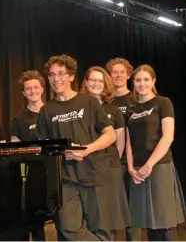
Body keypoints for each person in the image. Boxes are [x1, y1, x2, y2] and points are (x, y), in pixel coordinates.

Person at [36, 55, 117, 241]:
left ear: (71, 76)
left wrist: (87, 149)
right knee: (68, 227)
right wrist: (63, 151)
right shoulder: (46, 110)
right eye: (52, 75)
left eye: (61, 74)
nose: (56, 79)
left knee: (101, 230)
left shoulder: (89, 102)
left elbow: (110, 135)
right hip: (66, 178)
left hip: (95, 174)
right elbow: (44, 147)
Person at [126, 65, 186, 241]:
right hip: (138, 170)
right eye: (138, 80)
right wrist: (131, 167)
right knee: (149, 221)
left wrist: (149, 164)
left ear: (153, 81)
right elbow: (129, 142)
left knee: (164, 221)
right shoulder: (131, 109)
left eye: (146, 79)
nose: (142, 83)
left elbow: (167, 137)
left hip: (159, 167)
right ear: (134, 83)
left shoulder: (163, 102)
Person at [80, 66, 131, 238]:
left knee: (108, 219)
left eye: (100, 80)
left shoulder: (113, 111)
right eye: (92, 80)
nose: (96, 83)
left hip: (109, 169)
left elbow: (119, 144)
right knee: (91, 217)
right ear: (86, 82)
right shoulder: (79, 109)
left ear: (106, 84)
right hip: (86, 168)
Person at [106, 57, 140, 240]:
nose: (118, 75)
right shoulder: (105, 102)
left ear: (128, 75)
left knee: (132, 209)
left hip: (133, 161)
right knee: (111, 208)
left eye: (122, 72)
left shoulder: (136, 100)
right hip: (111, 162)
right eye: (114, 72)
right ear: (109, 76)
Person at [10, 70, 46, 241]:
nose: (33, 91)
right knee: (31, 218)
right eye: (28, 89)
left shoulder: (52, 111)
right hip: (30, 175)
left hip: (54, 172)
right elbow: (15, 148)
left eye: (36, 87)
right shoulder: (19, 118)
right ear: (24, 93)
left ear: (42, 89)